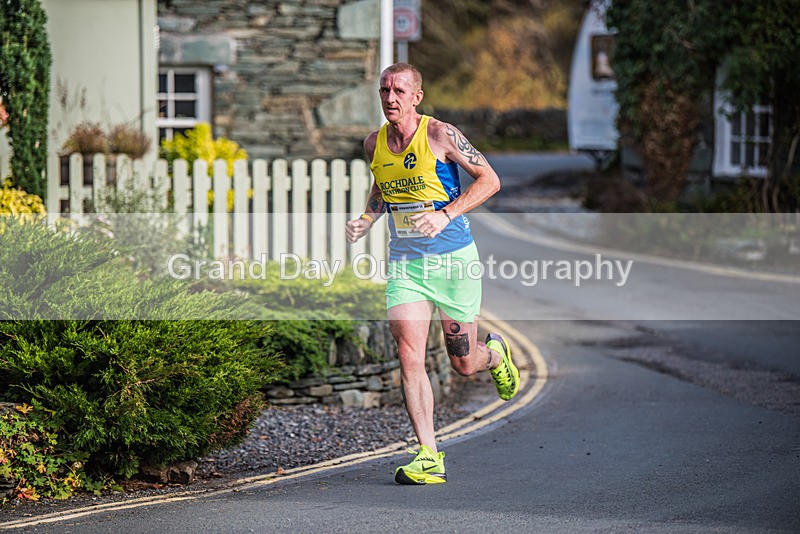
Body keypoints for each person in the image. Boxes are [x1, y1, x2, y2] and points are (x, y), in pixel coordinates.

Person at [345, 62, 519, 485]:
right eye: (385, 90)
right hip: (405, 264)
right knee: (409, 354)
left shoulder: (440, 134)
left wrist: (446, 214)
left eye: (400, 91)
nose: (390, 98)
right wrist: (368, 219)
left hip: (453, 260)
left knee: (462, 363)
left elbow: (490, 180)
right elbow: (383, 185)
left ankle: (495, 355)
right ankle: (429, 455)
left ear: (416, 97)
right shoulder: (374, 144)